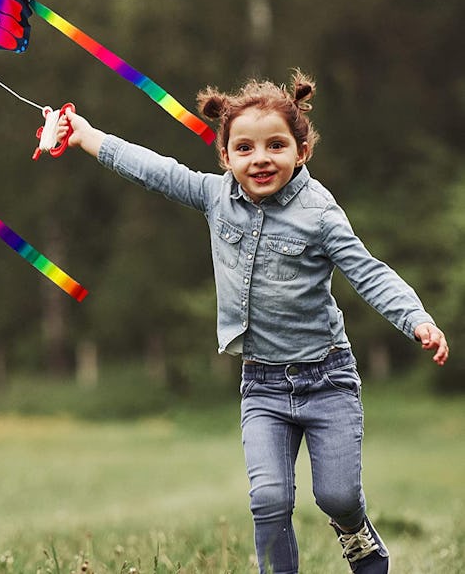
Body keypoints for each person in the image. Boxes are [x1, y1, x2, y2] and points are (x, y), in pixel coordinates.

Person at [56, 71, 448, 574]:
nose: (260, 158)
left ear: (301, 151)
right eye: (244, 148)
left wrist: (415, 318)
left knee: (338, 496)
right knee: (268, 499)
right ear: (226, 157)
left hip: (327, 380)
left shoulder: (320, 214)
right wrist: (86, 135)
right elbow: (153, 169)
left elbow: (369, 273)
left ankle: (355, 533)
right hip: (261, 383)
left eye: (275, 145)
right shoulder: (216, 197)